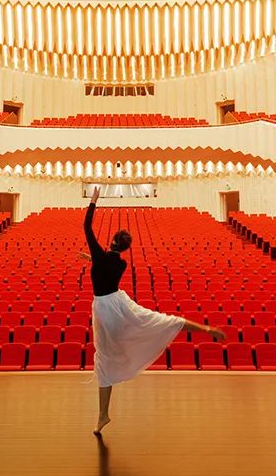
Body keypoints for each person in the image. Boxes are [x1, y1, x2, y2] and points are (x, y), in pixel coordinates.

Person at [80, 186, 225, 435]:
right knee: (158, 321)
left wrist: (93, 201)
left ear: (111, 241)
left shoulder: (102, 257)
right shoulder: (121, 264)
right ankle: (203, 328)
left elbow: (87, 227)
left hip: (103, 308)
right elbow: (105, 265)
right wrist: (92, 259)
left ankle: (103, 414)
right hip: (119, 304)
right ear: (124, 248)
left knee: (104, 360)